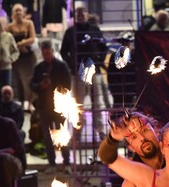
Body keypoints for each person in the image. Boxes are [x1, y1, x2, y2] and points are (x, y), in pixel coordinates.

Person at [60, 6, 107, 141]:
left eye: (83, 13)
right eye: (78, 13)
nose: (81, 15)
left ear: (87, 14)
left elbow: (103, 48)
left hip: (94, 72)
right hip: (78, 73)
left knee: (98, 102)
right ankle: (78, 130)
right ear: (75, 16)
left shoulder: (95, 30)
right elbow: (64, 52)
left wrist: (99, 61)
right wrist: (72, 64)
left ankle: (101, 131)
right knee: (78, 103)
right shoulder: (70, 32)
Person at [30, 40, 72, 175]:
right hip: (44, 106)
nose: (46, 55)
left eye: (48, 52)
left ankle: (67, 163)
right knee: (48, 137)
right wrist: (40, 86)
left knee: (62, 134)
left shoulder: (61, 66)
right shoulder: (39, 67)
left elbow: (68, 85)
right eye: (44, 53)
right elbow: (32, 84)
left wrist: (53, 86)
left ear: (52, 52)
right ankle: (52, 163)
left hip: (59, 106)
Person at [7, 3, 37, 112]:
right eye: (16, 11)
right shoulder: (9, 27)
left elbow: (32, 38)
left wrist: (22, 43)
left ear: (23, 12)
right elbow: (9, 41)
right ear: (13, 14)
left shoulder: (29, 23)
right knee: (18, 82)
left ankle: (30, 103)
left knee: (29, 81)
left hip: (28, 57)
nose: (18, 13)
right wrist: (19, 47)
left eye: (20, 10)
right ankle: (20, 103)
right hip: (17, 58)